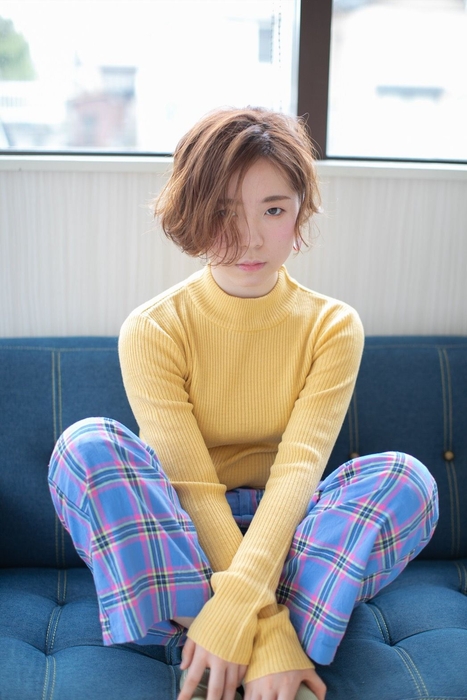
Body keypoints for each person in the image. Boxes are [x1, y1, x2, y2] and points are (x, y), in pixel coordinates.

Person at [48, 107, 438, 700]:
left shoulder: (333, 326)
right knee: (85, 447)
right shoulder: (153, 328)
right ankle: (268, 634)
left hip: (293, 531)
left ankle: (202, 623)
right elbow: (192, 485)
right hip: (181, 529)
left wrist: (240, 592)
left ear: (299, 213)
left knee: (407, 479)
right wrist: (269, 630)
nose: (250, 238)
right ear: (192, 213)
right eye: (224, 212)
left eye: (273, 210)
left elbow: (300, 470)